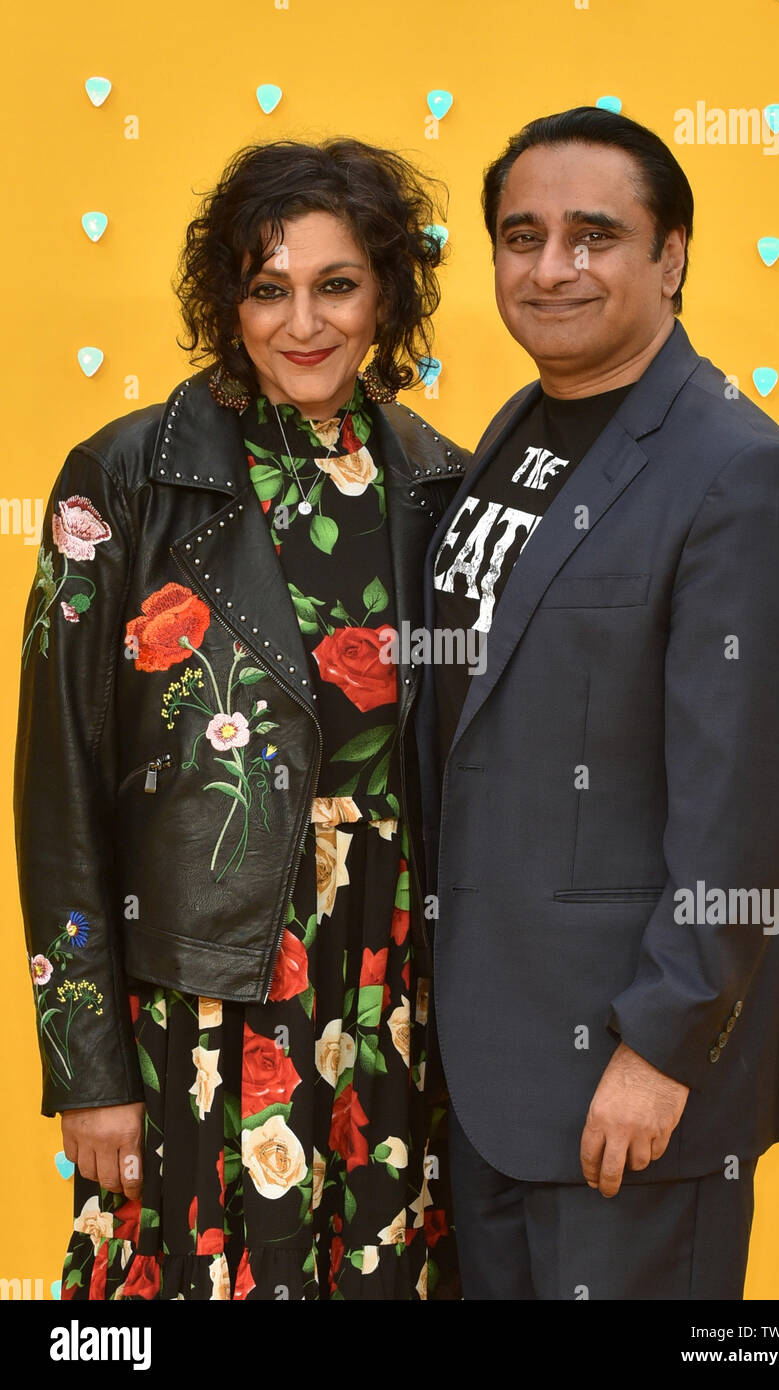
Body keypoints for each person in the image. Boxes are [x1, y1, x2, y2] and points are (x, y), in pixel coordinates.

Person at [14, 137, 470, 1300]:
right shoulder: (122, 477)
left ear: (387, 296)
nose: (300, 322)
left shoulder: (441, 486)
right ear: (226, 298)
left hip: (394, 992)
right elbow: (57, 784)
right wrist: (85, 1066)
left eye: (336, 285)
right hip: (200, 988)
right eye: (267, 287)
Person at [416, 106, 779, 1300]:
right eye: (520, 235)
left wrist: (660, 1048)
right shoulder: (517, 428)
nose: (550, 268)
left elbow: (743, 806)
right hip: (488, 1070)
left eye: (593, 235)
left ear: (671, 256)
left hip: (626, 1083)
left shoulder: (738, 473)